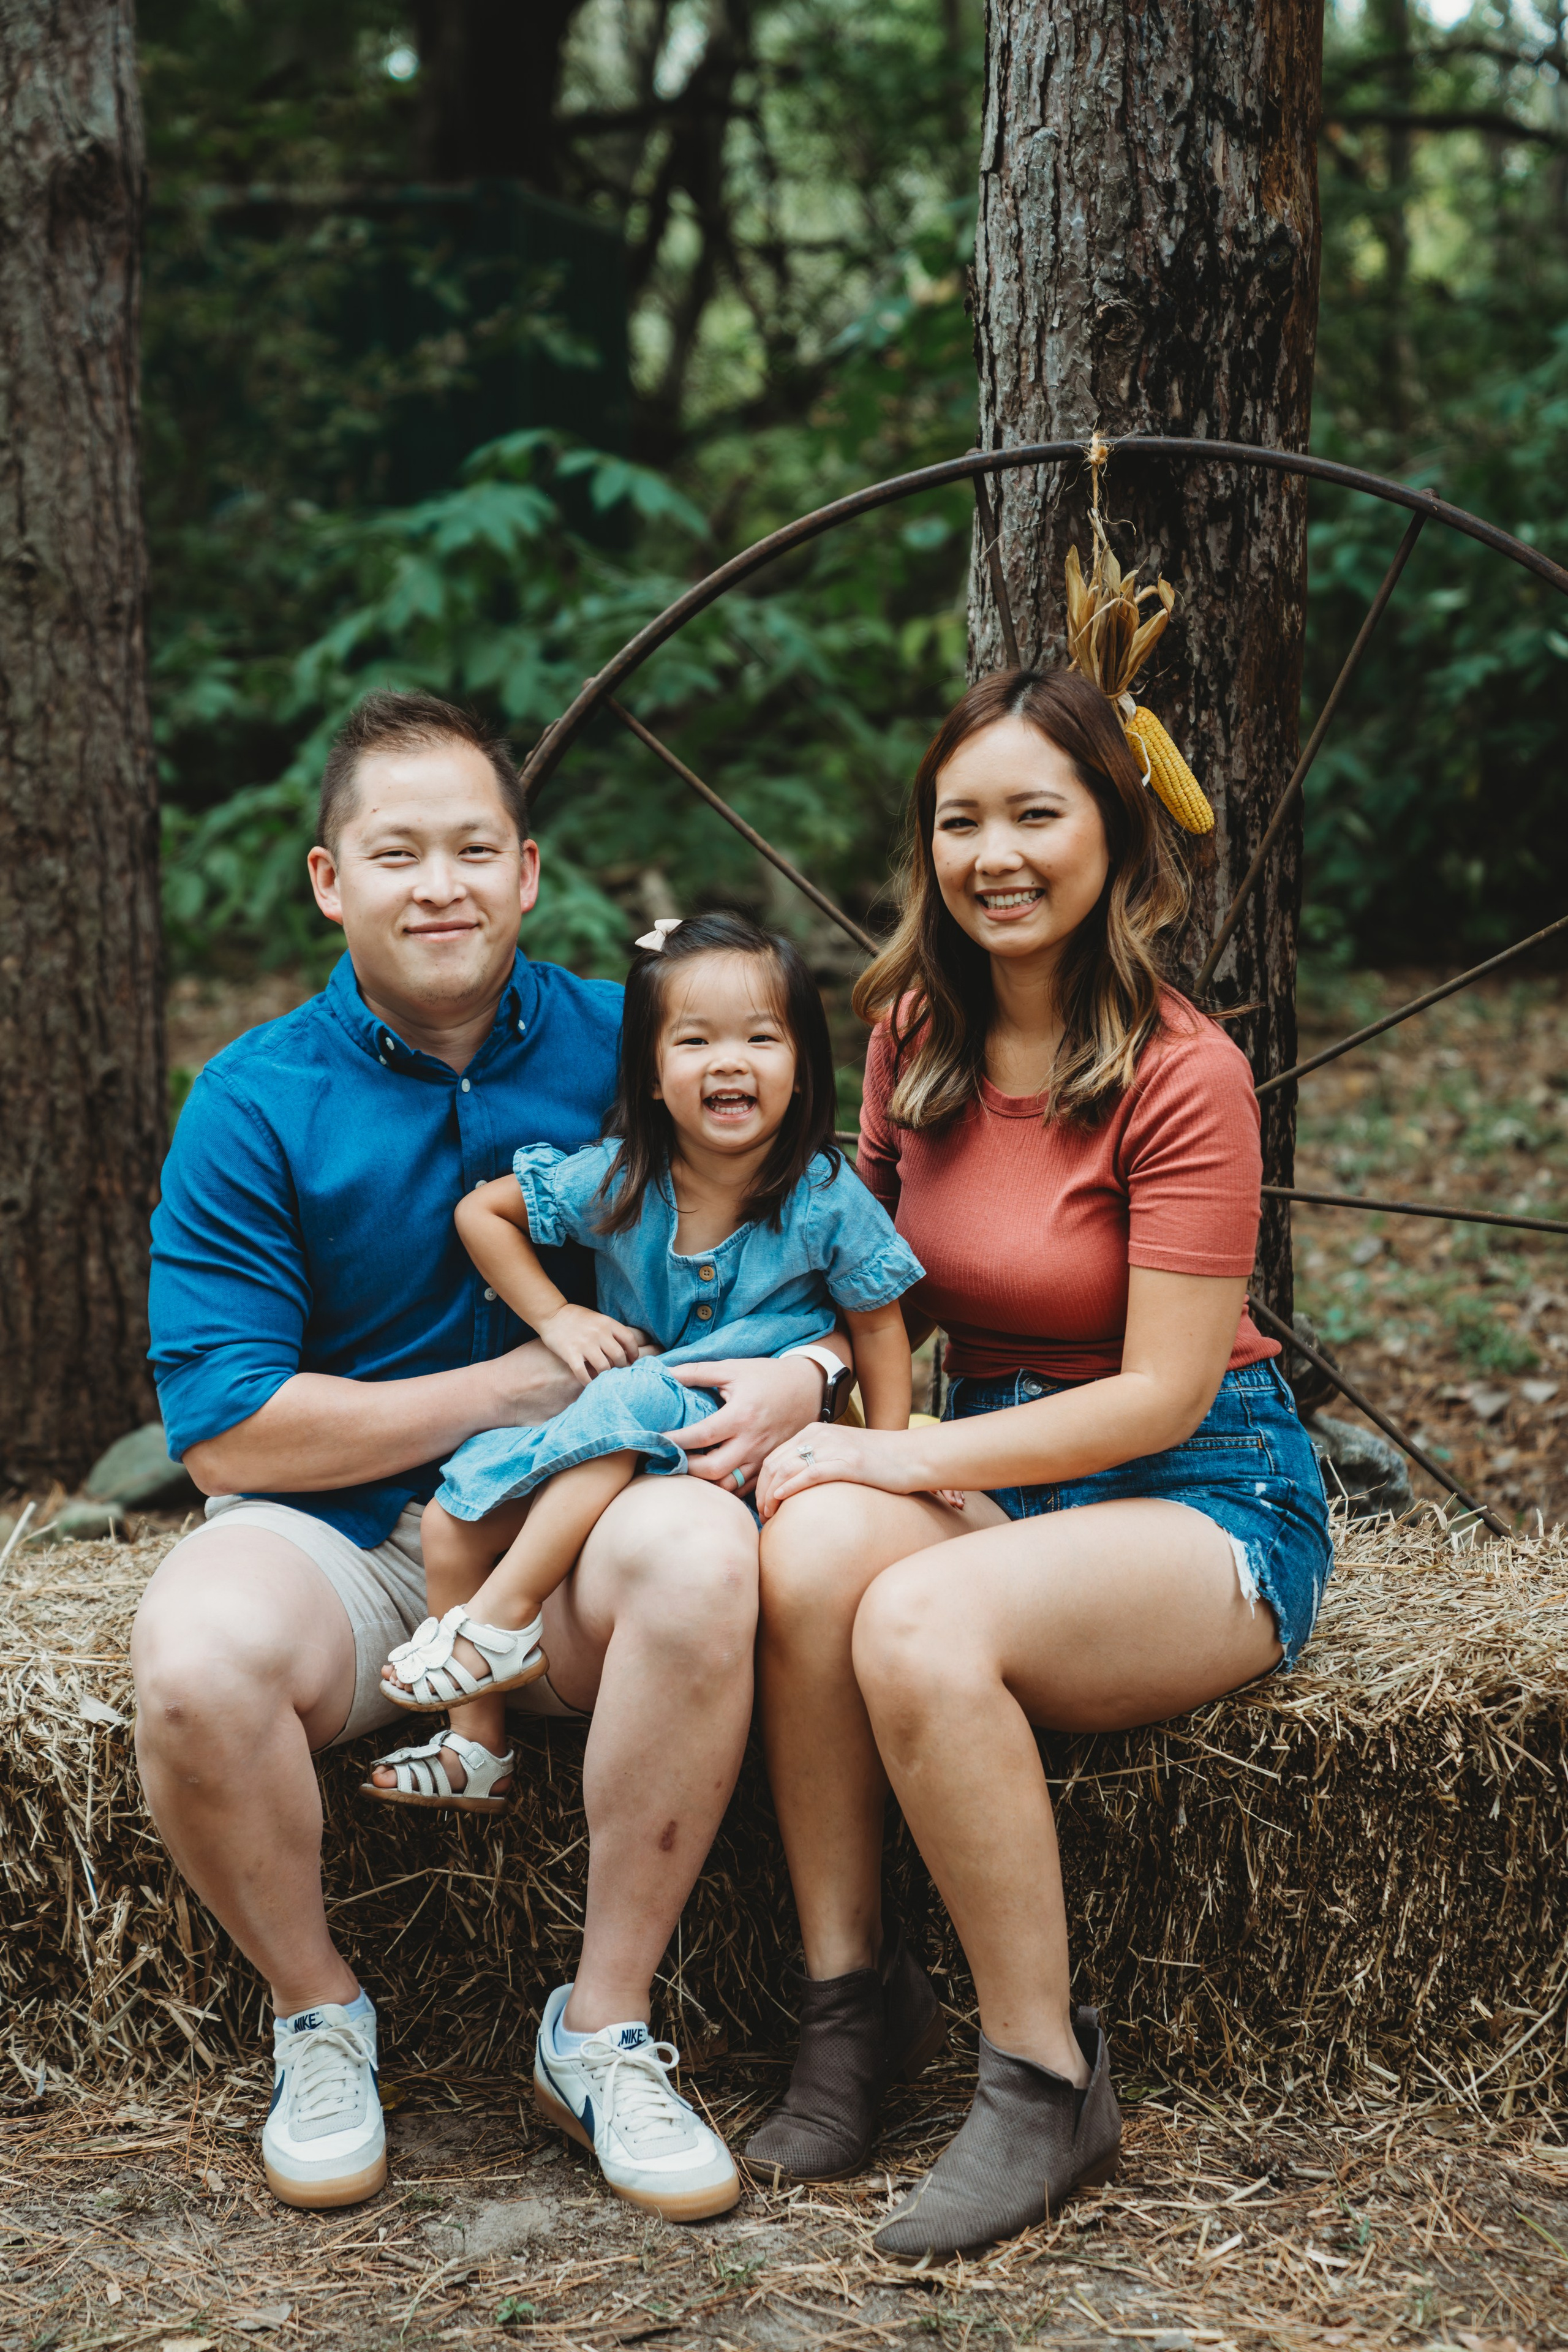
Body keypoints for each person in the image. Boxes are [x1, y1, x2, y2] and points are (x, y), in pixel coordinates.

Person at [132, 690, 851, 2219]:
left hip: (584, 1532)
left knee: (706, 1549)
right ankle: (319, 2017)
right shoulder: (254, 1100)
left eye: (473, 847)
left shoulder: (641, 1041)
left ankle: (599, 2029)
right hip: (344, 1540)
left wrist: (810, 1363)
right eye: (397, 853)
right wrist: (508, 1390)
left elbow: (821, 1216)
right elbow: (226, 1430)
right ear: (331, 881)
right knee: (194, 1654)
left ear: (528, 872)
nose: (438, 884)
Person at [745, 668, 1333, 2258]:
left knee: (919, 1623)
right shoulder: (913, 1042)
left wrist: (906, 1454)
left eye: (1035, 813)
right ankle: (853, 2010)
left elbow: (1158, 1394)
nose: (995, 852)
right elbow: (850, 1278)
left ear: (1114, 833)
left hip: (1195, 1489)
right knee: (801, 1557)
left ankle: (1043, 2081)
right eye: (961, 819)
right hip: (999, 1462)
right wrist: (812, 1406)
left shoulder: (1182, 1072)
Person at [368, 910, 924, 1826]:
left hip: (741, 1444)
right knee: (455, 1514)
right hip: (628, 1438)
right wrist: (557, 1314)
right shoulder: (624, 1178)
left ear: (801, 1066)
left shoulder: (824, 1196)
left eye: (762, 1037)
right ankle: (477, 1745)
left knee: (637, 1391)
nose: (730, 1061)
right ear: (654, 1077)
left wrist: (892, 1455)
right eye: (695, 1039)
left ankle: (502, 1619)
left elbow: (880, 1325)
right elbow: (483, 1214)